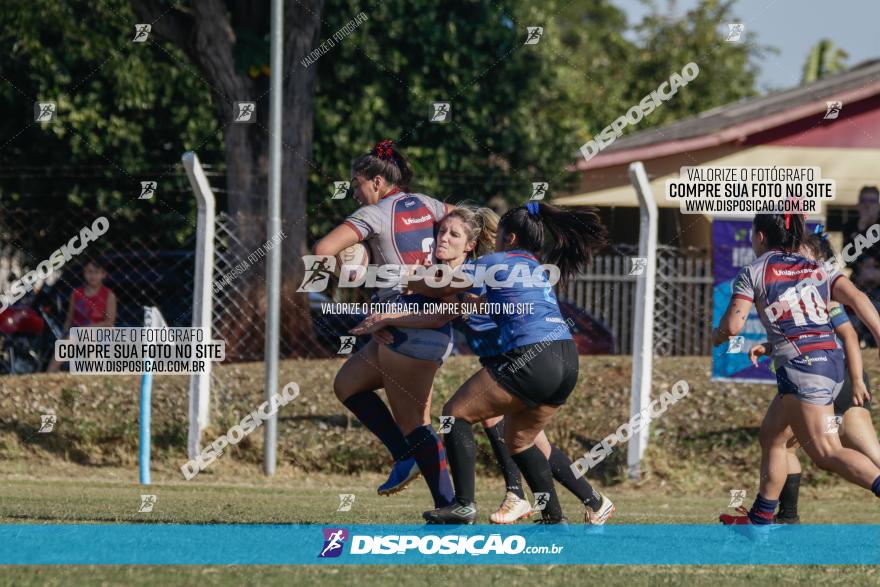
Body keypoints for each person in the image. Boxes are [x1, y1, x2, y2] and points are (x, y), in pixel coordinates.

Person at [353, 206, 614, 524]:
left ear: (502, 239)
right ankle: (570, 509)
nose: (443, 238)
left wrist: (400, 286)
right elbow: (468, 303)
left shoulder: (484, 266)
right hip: (563, 360)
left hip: (523, 360)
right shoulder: (528, 266)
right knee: (524, 441)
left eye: (454, 234)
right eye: (442, 232)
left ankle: (481, 500)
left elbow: (441, 298)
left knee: (457, 415)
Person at [313, 139, 456, 508]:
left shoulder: (374, 215)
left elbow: (322, 250)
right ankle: (407, 459)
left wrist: (354, 274)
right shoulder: (427, 204)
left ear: (377, 182)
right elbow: (472, 223)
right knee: (348, 384)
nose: (354, 190)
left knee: (416, 424)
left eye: (356, 182)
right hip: (424, 320)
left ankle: (451, 505)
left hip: (405, 324)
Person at [714, 213, 880, 525]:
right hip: (829, 365)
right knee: (773, 437)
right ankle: (761, 519)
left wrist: (718, 334)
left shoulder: (754, 271)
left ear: (761, 237)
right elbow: (858, 299)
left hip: (804, 369)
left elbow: (734, 325)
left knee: (827, 452)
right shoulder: (818, 268)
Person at [47, 258, 117, 373]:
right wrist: (63, 335)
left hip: (101, 334)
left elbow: (109, 322)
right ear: (84, 273)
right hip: (76, 334)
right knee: (64, 344)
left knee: (87, 337)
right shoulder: (76, 293)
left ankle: (94, 373)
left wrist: (86, 329)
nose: (92, 276)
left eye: (96, 272)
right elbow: (70, 318)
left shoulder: (109, 295)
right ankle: (50, 373)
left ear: (103, 274)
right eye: (89, 272)